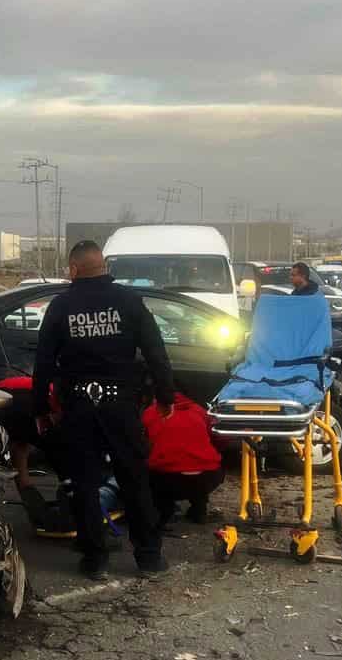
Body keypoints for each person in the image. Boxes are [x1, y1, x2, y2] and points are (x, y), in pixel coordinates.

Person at [33, 239, 175, 579]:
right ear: (104, 267)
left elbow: (44, 361)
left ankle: (94, 559)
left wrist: (41, 407)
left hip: (80, 407)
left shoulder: (61, 306)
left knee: (83, 482)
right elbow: (156, 352)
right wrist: (165, 396)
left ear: (73, 269)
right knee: (134, 479)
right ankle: (149, 557)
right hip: (121, 406)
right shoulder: (129, 301)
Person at [143, 393, 225, 525]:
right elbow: (219, 438)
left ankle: (164, 513)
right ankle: (199, 511)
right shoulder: (200, 410)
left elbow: (143, 444)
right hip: (208, 477)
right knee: (202, 465)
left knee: (151, 472)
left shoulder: (150, 412)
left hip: (167, 479)